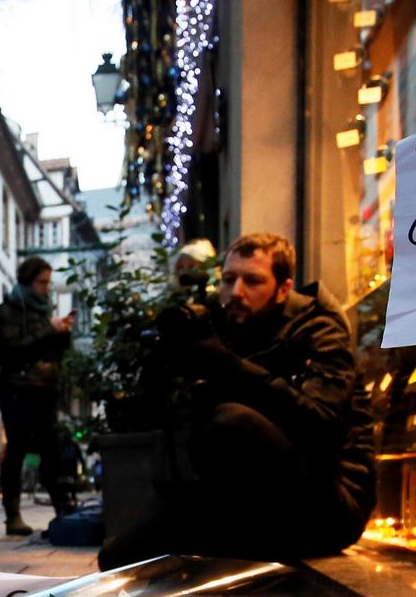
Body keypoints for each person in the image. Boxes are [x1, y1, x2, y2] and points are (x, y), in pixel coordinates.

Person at [98, 231, 375, 566]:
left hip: (329, 502)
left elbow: (320, 421)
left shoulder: (320, 329)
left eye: (253, 281)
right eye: (229, 280)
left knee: (232, 423)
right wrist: (165, 366)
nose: (236, 292)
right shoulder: (229, 326)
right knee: (118, 558)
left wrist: (228, 366)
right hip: (248, 496)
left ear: (284, 288)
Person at [0, 256, 75, 535]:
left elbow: (55, 353)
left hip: (45, 389)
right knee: (16, 450)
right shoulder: (5, 312)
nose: (46, 288)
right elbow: (12, 348)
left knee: (51, 450)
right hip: (17, 389)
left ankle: (63, 511)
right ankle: (12, 516)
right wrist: (50, 328)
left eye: (48, 283)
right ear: (27, 281)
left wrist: (62, 332)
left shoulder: (42, 312)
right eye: (42, 282)